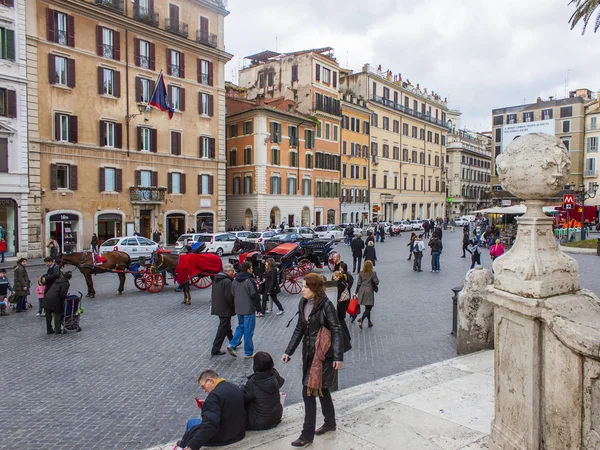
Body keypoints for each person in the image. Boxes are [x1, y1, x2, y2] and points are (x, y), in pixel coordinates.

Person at [282, 273, 344, 448]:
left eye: (305, 287)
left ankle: (306, 435)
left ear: (314, 289)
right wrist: (289, 351)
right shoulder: (303, 303)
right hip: (308, 354)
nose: (301, 290)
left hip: (323, 356)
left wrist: (338, 356)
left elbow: (337, 330)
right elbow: (299, 329)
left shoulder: (326, 306)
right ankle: (330, 422)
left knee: (308, 392)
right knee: (322, 389)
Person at [177, 370, 246, 450]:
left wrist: (192, 446)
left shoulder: (214, 396)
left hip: (223, 437)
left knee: (191, 422)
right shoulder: (235, 387)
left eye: (203, 386)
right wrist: (207, 404)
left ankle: (184, 444)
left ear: (210, 380)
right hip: (238, 432)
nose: (204, 390)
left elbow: (210, 425)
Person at [243, 352, 285, 431]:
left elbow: (243, 397)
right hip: (276, 417)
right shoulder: (275, 374)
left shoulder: (252, 382)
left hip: (259, 422)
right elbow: (281, 382)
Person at [228, 261, 261, 359]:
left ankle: (232, 344)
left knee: (240, 326)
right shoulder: (249, 280)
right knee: (248, 330)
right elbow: (254, 294)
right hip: (248, 308)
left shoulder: (235, 280)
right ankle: (248, 352)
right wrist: (258, 307)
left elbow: (232, 293)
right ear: (248, 269)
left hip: (238, 307)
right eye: (251, 268)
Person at [210, 264, 235, 356]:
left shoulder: (217, 279)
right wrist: (233, 306)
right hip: (225, 307)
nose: (233, 273)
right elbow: (228, 296)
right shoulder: (227, 281)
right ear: (227, 271)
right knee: (223, 328)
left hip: (218, 305)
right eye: (232, 271)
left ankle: (233, 341)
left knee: (226, 326)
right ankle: (215, 348)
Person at [44, 270, 71, 335]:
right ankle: (57, 330)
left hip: (47, 297)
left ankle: (49, 330)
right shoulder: (66, 283)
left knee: (48, 315)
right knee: (57, 314)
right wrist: (63, 300)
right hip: (56, 300)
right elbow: (62, 294)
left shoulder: (57, 281)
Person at [355, 260, 379, 329]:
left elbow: (358, 283)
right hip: (369, 291)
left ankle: (369, 322)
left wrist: (356, 292)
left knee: (367, 307)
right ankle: (361, 319)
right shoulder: (373, 273)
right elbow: (376, 282)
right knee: (369, 307)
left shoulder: (361, 273)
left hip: (362, 291)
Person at [332, 270, 351, 341]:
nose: (333, 277)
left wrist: (334, 302)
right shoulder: (342, 282)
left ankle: (347, 336)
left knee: (341, 320)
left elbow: (338, 295)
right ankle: (346, 336)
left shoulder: (339, 284)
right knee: (341, 320)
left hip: (341, 305)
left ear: (337, 276)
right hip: (344, 304)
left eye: (334, 276)